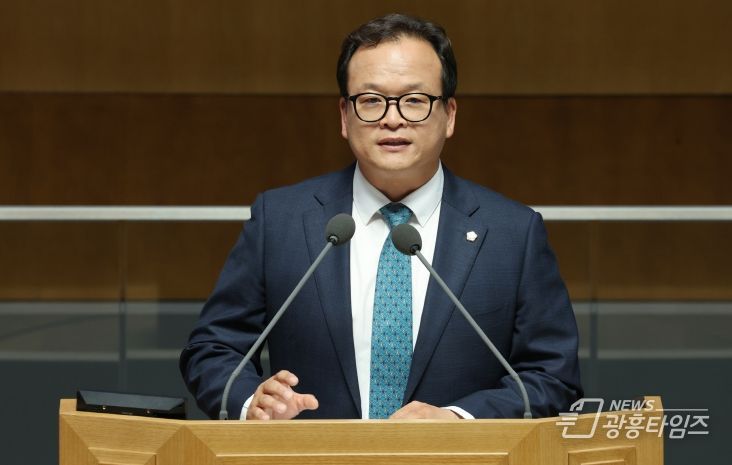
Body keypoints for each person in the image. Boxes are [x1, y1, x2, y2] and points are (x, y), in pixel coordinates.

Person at [180, 13, 582, 421]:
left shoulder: (513, 234)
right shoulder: (280, 221)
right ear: (344, 116)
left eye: (415, 100)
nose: (392, 118)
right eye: (371, 100)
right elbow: (213, 349)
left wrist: (459, 419)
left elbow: (553, 377)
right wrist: (252, 403)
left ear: (450, 115)